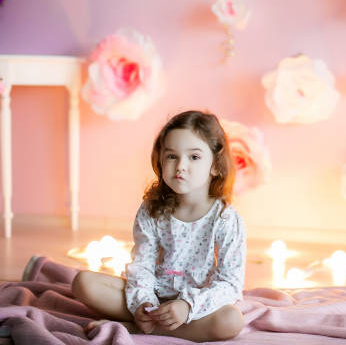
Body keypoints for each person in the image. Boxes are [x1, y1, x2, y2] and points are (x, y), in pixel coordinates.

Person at [72, 110, 246, 342]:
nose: (180, 166)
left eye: (194, 157)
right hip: (153, 297)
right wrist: (143, 304)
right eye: (172, 156)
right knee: (83, 283)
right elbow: (141, 265)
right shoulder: (152, 210)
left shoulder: (225, 219)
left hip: (195, 307)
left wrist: (187, 306)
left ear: (215, 166)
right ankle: (146, 321)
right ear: (160, 160)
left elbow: (231, 284)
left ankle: (135, 329)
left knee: (231, 321)